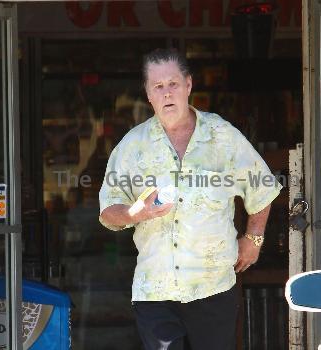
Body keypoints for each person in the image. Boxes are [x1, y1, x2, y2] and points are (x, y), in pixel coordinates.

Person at [99, 48, 282, 350]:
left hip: (213, 288)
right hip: (155, 291)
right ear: (148, 94)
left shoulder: (222, 136)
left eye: (173, 84)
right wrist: (137, 212)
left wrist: (254, 238)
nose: (167, 93)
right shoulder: (133, 146)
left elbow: (261, 185)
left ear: (188, 85)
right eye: (158, 87)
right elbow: (108, 212)